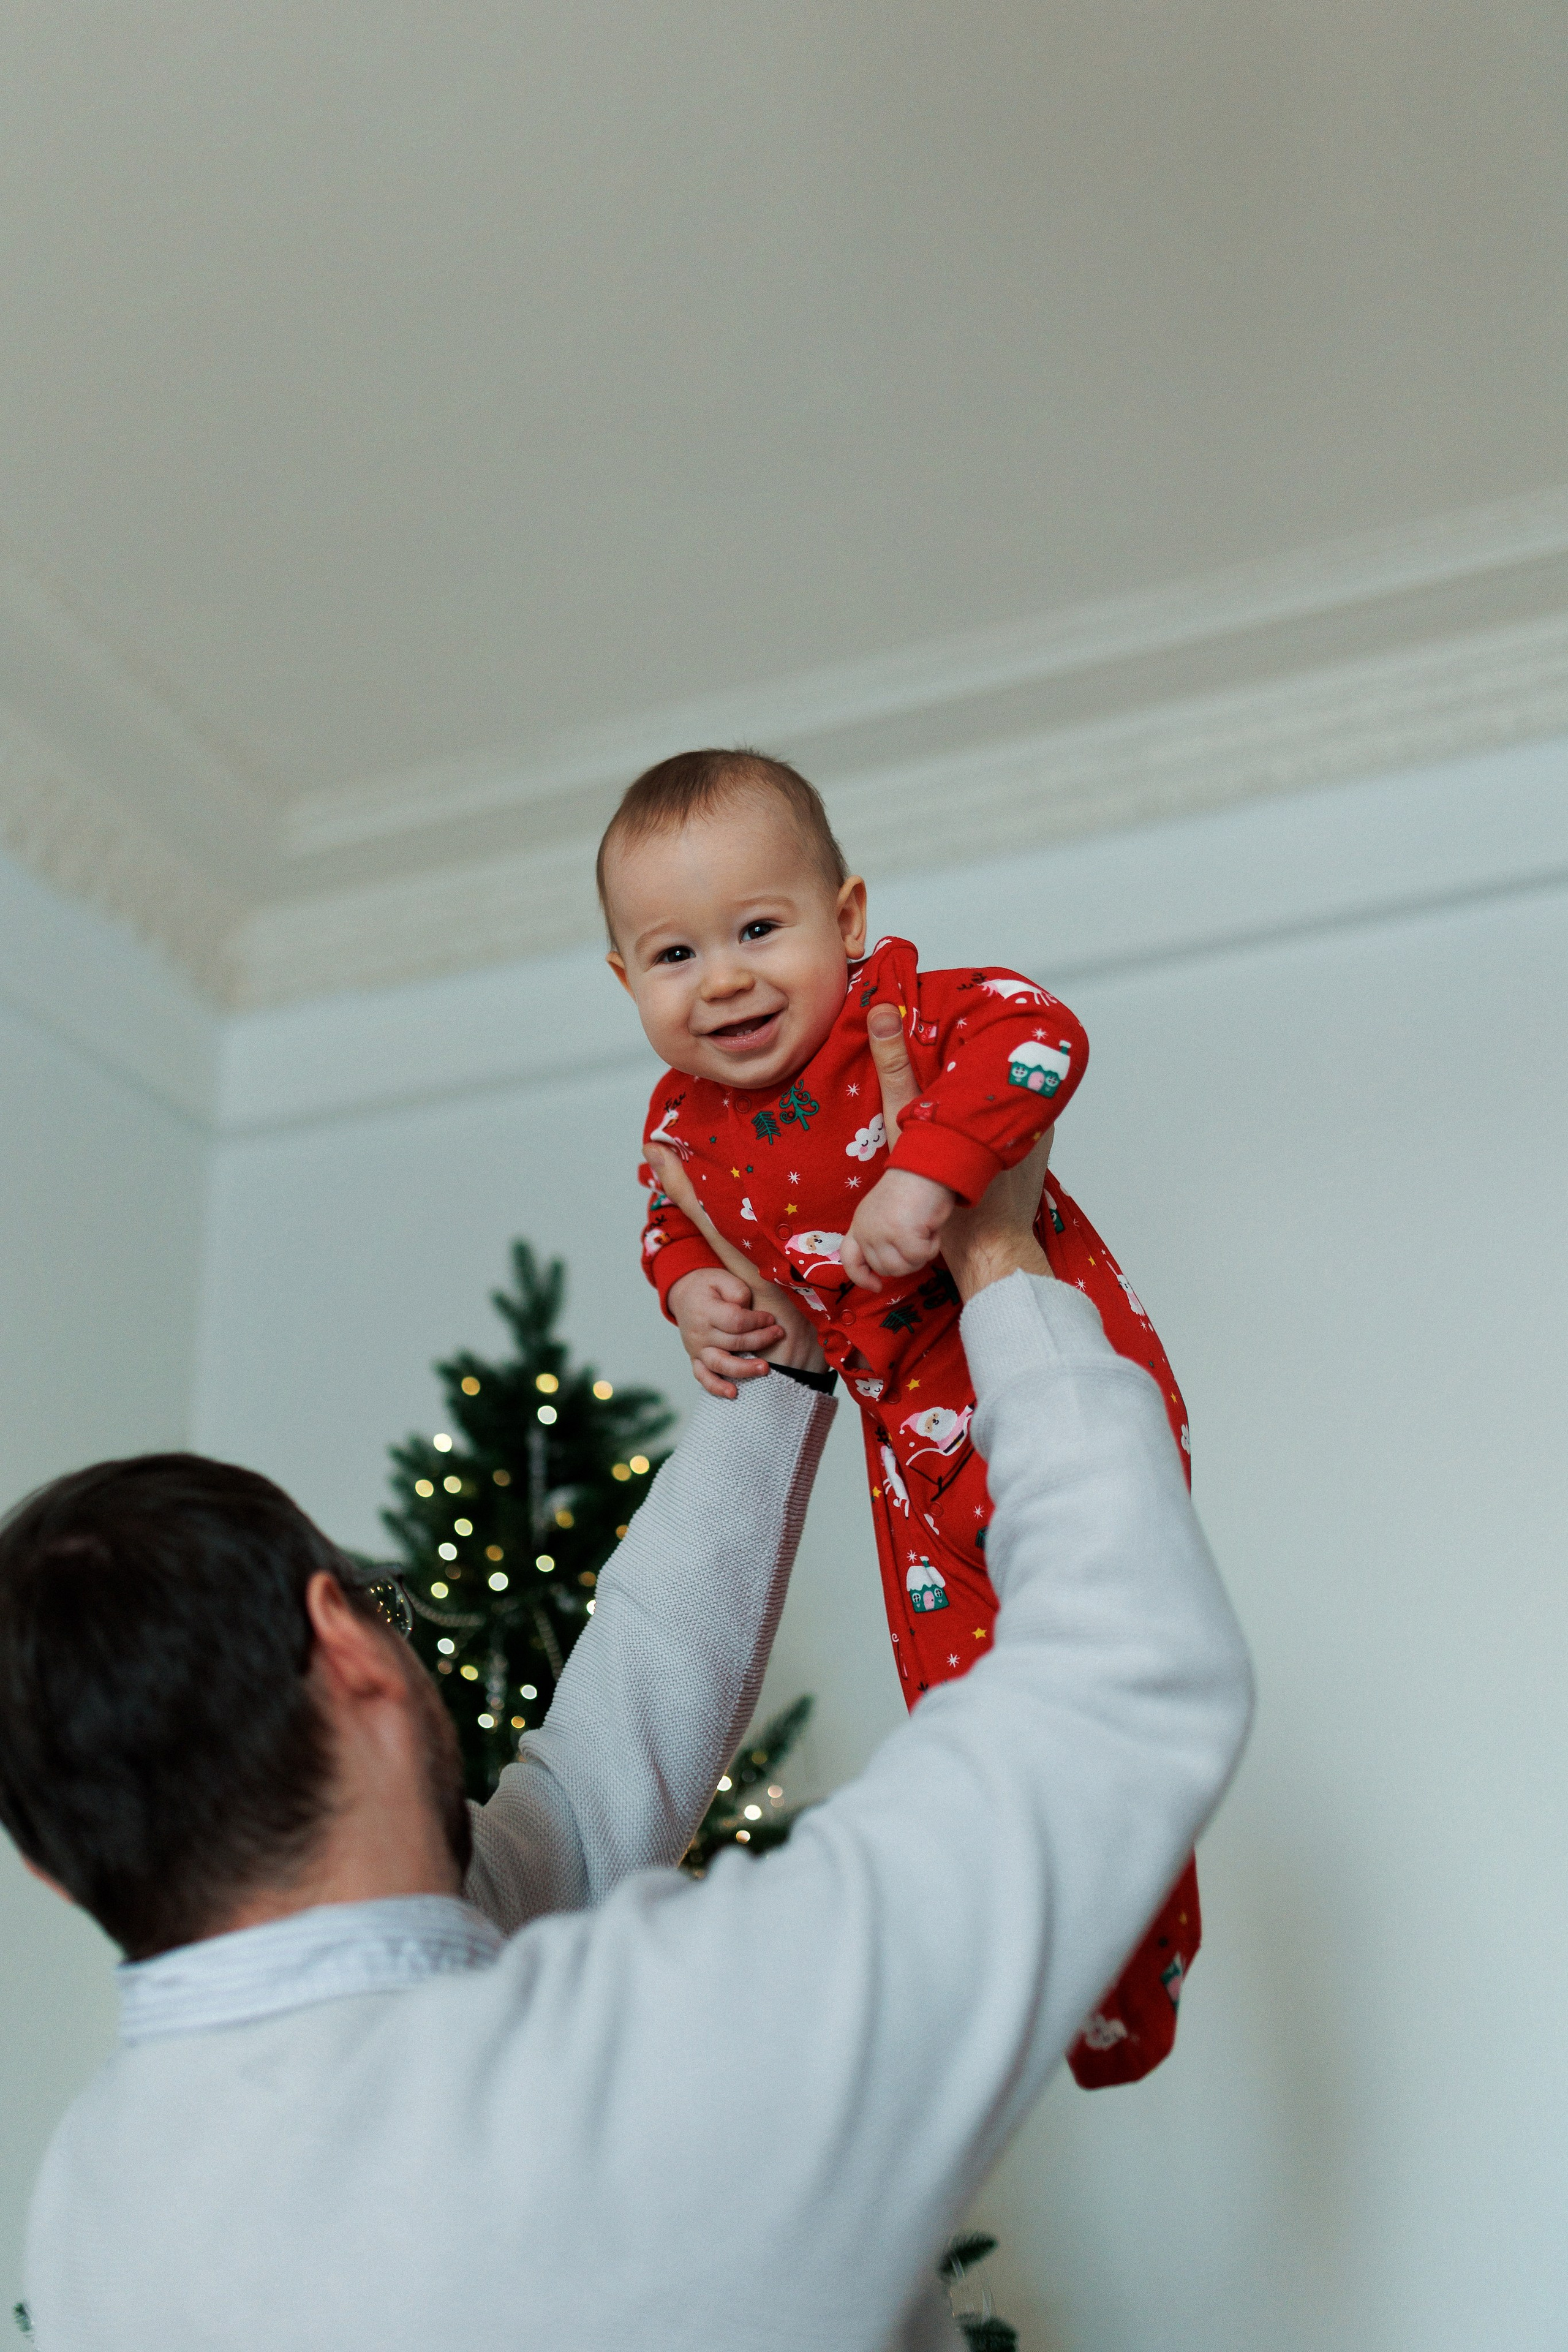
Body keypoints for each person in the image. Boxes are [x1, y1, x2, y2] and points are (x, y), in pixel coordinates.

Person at [2, 1023, 1252, 2352]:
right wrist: (999, 1261)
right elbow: (1123, 1674)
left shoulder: (89, 2207)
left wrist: (790, 1358)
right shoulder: (668, 2052)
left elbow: (592, 1789)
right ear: (351, 1648)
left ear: (56, 1871)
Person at [603, 745, 1200, 2086]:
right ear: (625, 984)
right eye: (674, 955)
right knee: (963, 1712)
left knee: (1095, 1654)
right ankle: (1056, 1988)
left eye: (760, 929)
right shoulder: (681, 1119)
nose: (727, 979)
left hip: (1041, 1384)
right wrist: (694, 1291)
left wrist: (934, 1167)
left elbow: (1041, 1033)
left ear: (847, 920)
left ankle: (1137, 1976)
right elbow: (663, 1218)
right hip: (899, 1445)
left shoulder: (913, 1013)